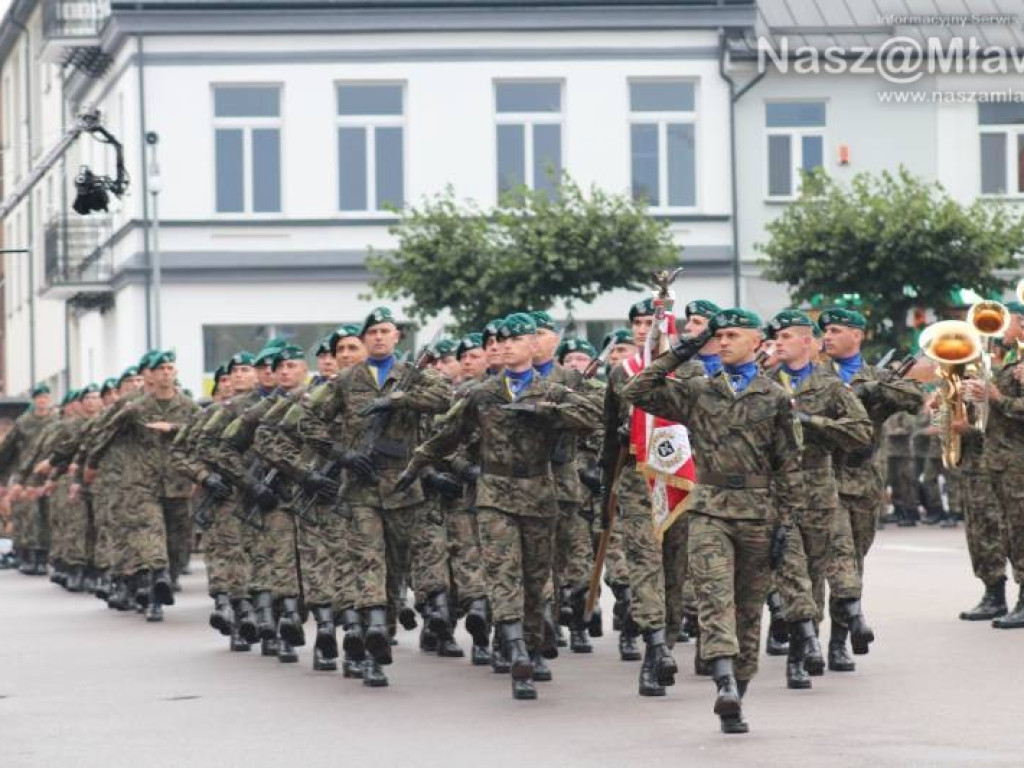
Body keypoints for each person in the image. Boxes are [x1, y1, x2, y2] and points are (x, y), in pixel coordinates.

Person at [397, 312, 601, 700]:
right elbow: (446, 436)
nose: (505, 346)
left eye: (515, 340)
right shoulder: (482, 392)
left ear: (532, 345)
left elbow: (593, 416)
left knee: (535, 578)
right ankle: (517, 652)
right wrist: (416, 465)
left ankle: (533, 643)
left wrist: (547, 411)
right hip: (494, 493)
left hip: (540, 492)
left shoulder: (552, 390)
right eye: (501, 341)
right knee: (503, 573)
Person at [622, 307, 803, 734]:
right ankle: (722, 680)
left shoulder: (774, 396)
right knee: (713, 596)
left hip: (758, 512)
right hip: (708, 509)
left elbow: (788, 464)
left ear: (757, 342)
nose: (722, 342)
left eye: (732, 335)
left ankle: (737, 691)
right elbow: (638, 388)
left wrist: (786, 524)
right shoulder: (698, 390)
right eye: (718, 336)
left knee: (747, 609)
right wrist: (681, 350)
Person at [764, 310, 871, 689]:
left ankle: (846, 623)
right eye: (775, 337)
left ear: (807, 342)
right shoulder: (760, 382)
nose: (778, 343)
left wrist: (813, 423)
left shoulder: (830, 384)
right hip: (777, 494)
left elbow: (860, 431)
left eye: (787, 337)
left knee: (836, 564)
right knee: (792, 575)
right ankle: (800, 652)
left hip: (822, 491)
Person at [819, 307, 922, 667]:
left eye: (834, 330)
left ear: (857, 335)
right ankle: (826, 630)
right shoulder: (815, 375)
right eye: (824, 331)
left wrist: (879, 386)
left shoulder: (876, 374)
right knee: (838, 553)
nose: (827, 336)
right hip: (823, 478)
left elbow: (914, 399)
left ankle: (838, 640)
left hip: (863, 480)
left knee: (854, 558)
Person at [964, 300, 1024, 629]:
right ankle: (1000, 594)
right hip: (1000, 462)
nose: (998, 330)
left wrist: (996, 397)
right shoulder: (1010, 363)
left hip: (1018, 463)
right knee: (1008, 532)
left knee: (1020, 531)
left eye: (1005, 323)